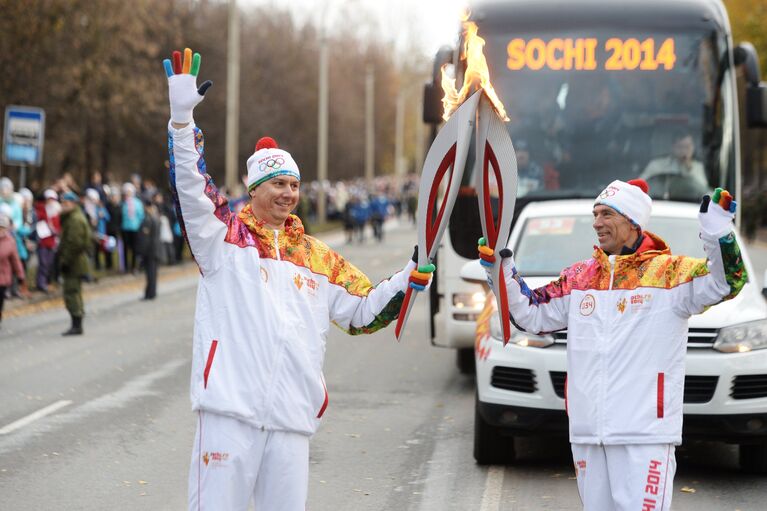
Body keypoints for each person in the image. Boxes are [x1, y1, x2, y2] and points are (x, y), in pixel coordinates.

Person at [162, 48, 434, 511]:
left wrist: (409, 275)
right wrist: (182, 122)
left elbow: (363, 312)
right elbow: (191, 185)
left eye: (294, 184)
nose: (289, 193)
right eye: (278, 184)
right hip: (230, 411)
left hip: (291, 417)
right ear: (255, 189)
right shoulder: (222, 236)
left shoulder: (316, 257)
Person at [479, 179, 746, 510]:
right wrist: (501, 270)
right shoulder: (581, 278)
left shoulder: (670, 275)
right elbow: (532, 313)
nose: (596, 223)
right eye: (595, 214)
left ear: (632, 221)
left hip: (645, 432)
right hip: (589, 431)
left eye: (606, 214)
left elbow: (728, 281)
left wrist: (717, 233)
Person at [58, 191, 92, 336]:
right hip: (75, 261)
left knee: (71, 292)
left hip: (74, 262)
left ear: (73, 204)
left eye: (66, 203)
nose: (63, 206)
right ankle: (76, 323)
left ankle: (76, 325)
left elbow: (75, 243)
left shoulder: (75, 220)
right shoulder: (73, 217)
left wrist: (65, 260)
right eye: (63, 203)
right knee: (75, 292)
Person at [640, 131, 709, 198]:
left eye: (687, 147)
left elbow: (703, 192)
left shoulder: (698, 168)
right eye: (680, 147)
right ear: (673, 147)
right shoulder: (657, 165)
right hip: (660, 203)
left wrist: (688, 168)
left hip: (690, 205)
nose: (684, 151)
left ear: (693, 148)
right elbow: (639, 186)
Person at [0, 214, 26, 327]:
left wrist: (21, 275)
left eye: (2, 227)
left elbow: (15, 260)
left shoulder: (10, 241)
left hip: (3, 277)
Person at [34, 190, 61, 293]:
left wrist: (56, 231)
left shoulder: (56, 212)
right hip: (43, 241)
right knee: (43, 263)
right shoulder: (41, 209)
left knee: (49, 263)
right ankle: (40, 283)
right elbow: (40, 221)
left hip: (52, 241)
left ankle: (46, 282)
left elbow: (58, 226)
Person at [137, 197, 162, 300]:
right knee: (153, 272)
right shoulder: (156, 218)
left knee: (150, 273)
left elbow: (145, 239)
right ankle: (152, 292)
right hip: (156, 249)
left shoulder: (147, 219)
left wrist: (142, 252)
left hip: (150, 251)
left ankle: (150, 294)